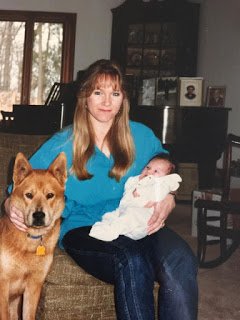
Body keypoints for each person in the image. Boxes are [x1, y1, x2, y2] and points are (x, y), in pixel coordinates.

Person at [5, 59, 198, 320]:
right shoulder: (62, 144)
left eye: (115, 93)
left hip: (137, 222)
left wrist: (170, 197)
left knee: (182, 259)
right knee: (131, 260)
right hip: (85, 229)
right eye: (98, 92)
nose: (107, 101)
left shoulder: (140, 136)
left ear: (123, 100)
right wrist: (9, 206)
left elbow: (168, 167)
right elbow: (17, 187)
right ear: (85, 98)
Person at [90, 154, 182, 241]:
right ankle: (104, 226)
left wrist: (170, 194)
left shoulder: (160, 184)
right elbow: (129, 186)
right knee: (111, 215)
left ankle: (112, 231)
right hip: (124, 211)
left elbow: (169, 184)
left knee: (131, 215)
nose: (149, 171)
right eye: (148, 167)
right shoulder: (136, 180)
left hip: (144, 219)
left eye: (156, 171)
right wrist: (135, 185)